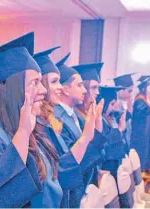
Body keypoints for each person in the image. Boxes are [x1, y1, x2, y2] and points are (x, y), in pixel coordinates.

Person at [0, 32, 70, 208]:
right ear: (13, 88)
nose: (43, 90)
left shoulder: (30, 128)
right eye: (34, 83)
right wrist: (22, 135)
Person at [33, 48, 101, 208]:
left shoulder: (48, 121)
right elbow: (59, 169)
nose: (60, 87)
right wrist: (86, 137)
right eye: (54, 81)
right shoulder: (38, 125)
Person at [53, 53, 106, 207]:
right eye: (80, 85)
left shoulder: (76, 115)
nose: (85, 90)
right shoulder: (57, 118)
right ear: (66, 90)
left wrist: (98, 121)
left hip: (84, 184)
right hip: (70, 191)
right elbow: (69, 161)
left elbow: (96, 148)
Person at [98, 86, 128, 178]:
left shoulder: (111, 118)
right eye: (111, 104)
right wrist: (119, 130)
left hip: (115, 162)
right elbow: (105, 142)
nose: (113, 108)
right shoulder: (99, 120)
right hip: (107, 164)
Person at [130, 77, 150, 173]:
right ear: (144, 88)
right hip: (140, 137)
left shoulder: (144, 100)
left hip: (144, 136)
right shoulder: (140, 101)